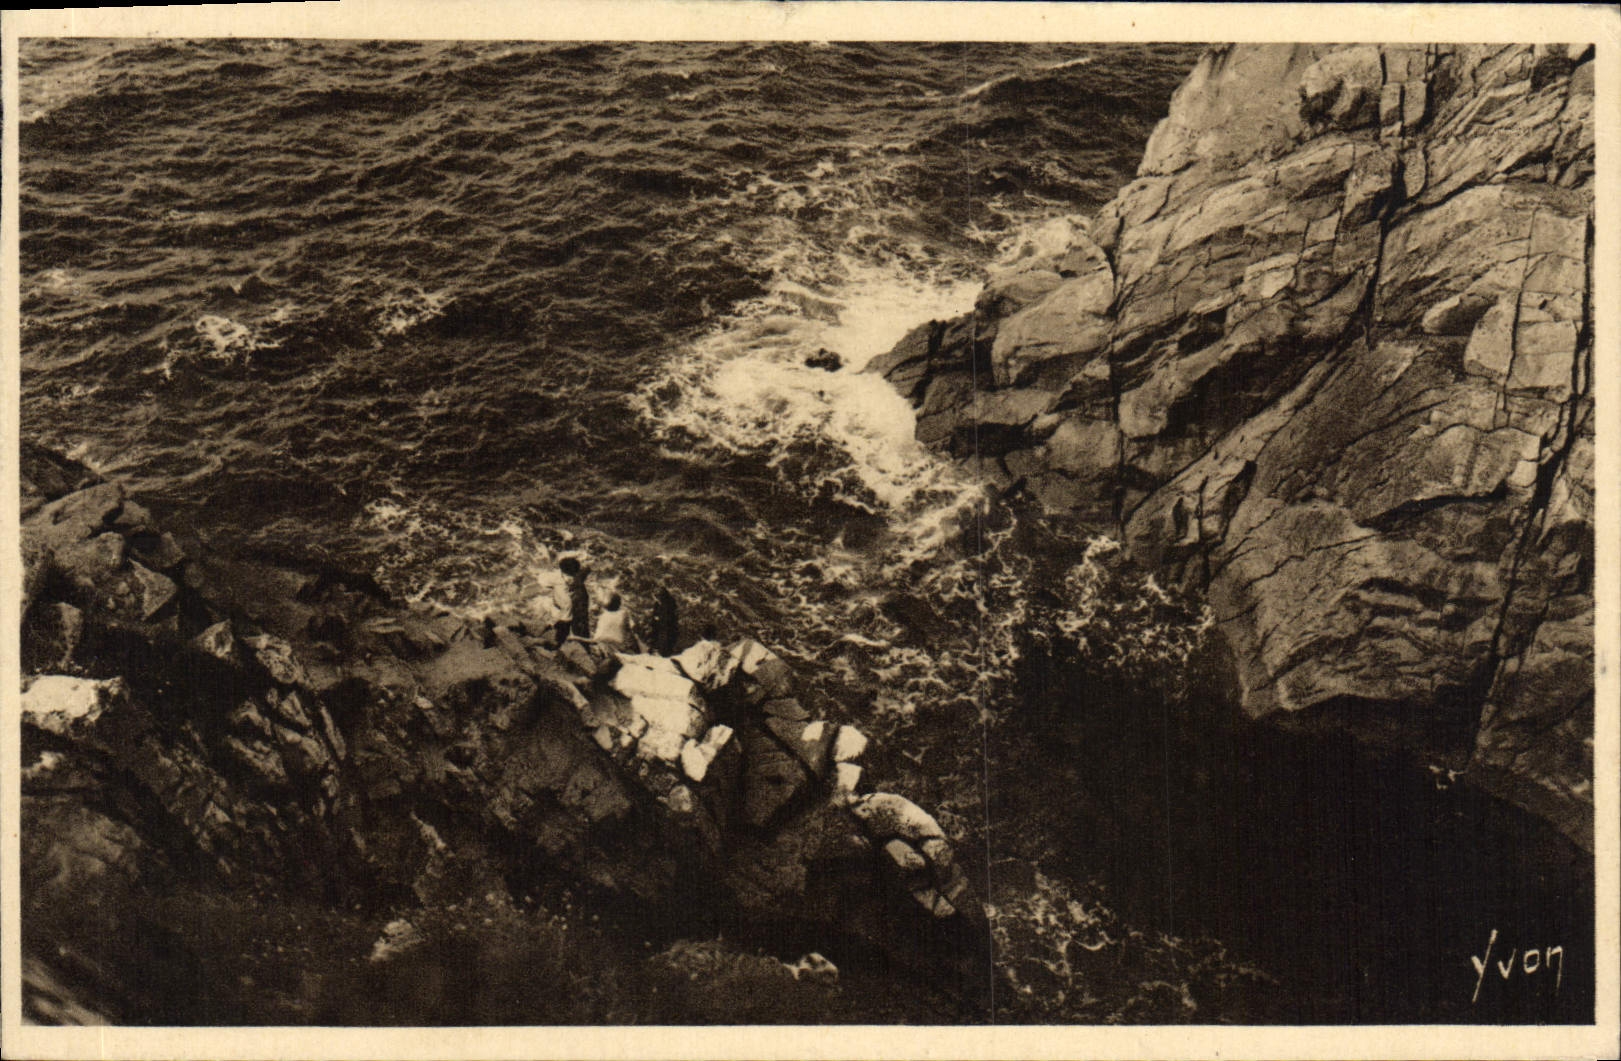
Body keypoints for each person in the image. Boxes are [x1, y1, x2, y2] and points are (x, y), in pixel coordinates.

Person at [560, 556, 591, 640]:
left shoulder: (573, 584)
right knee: (583, 625)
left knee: (579, 627)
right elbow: (584, 571)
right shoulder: (578, 577)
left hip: (578, 605)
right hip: (583, 599)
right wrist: (587, 567)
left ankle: (583, 644)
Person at [648, 585, 679, 657]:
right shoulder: (668, 602)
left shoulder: (663, 603)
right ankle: (663, 651)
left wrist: (656, 619)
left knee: (663, 638)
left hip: (665, 625)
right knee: (665, 639)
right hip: (666, 625)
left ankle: (661, 651)